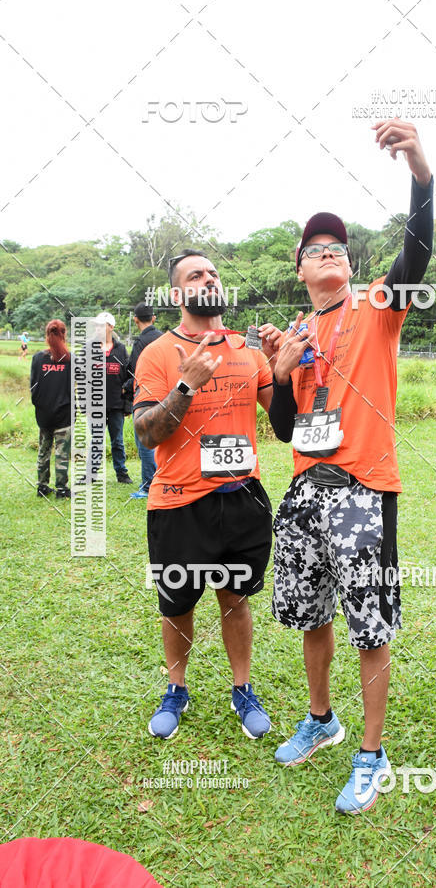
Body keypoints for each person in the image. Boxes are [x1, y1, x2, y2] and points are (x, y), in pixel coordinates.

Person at [264, 118, 433, 814]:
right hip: (305, 488)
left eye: (337, 245)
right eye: (314, 247)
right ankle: (321, 718)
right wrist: (277, 374)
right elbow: (286, 429)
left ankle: (371, 752)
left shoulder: (375, 308)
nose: (327, 251)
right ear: (301, 269)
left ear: (350, 265)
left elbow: (417, 254)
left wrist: (420, 171)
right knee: (311, 613)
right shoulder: (299, 334)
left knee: (370, 623)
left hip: (363, 487)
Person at [134, 250, 274, 742]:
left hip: (241, 499)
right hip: (178, 502)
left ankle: (242, 688)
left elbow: (285, 421)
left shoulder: (246, 350)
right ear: (177, 295)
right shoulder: (157, 353)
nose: (208, 278)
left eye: (213, 272)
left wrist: (285, 368)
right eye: (196, 274)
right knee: (177, 604)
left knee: (236, 600)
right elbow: (147, 435)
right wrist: (186, 385)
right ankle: (176, 689)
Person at [85, 312, 132, 484]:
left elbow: (130, 376)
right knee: (96, 440)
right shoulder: (88, 348)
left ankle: (122, 473)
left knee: (117, 441)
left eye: (101, 325)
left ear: (111, 327)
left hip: (116, 405)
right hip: (95, 405)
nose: (97, 328)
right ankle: (91, 474)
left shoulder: (121, 350)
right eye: (96, 325)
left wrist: (127, 401)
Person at [123, 302, 163, 499]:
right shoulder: (164, 338)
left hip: (146, 396)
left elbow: (135, 371)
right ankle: (163, 480)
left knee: (145, 442)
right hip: (167, 396)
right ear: (154, 318)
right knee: (162, 442)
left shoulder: (140, 342)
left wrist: (125, 387)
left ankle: (148, 485)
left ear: (135, 319)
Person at [30, 320, 72, 499]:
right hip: (64, 414)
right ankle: (62, 489)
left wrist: (40, 406)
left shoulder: (38, 358)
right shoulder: (71, 359)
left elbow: (34, 388)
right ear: (64, 334)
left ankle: (42, 486)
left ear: (47, 335)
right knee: (63, 454)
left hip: (44, 414)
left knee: (44, 450)